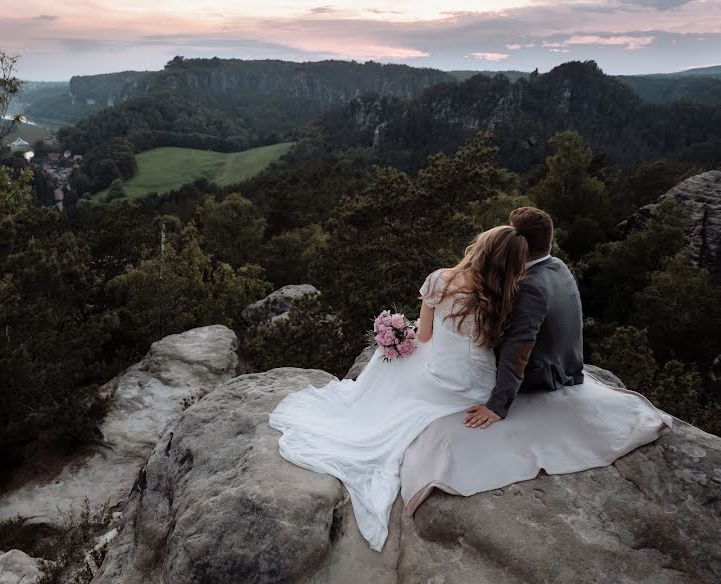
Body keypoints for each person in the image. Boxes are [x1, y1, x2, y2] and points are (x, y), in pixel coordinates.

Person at [269, 211, 670, 553]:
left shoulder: (455, 281)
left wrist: (495, 402)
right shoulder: (516, 287)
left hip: (488, 380)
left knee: (391, 363)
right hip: (482, 380)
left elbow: (465, 343)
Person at [269, 225, 529, 551]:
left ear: (480, 248)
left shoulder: (439, 280)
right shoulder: (507, 293)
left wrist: (399, 333)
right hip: (478, 388)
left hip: (445, 382)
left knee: (392, 362)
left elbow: (424, 337)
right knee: (407, 359)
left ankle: (370, 402)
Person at [463, 207, 584, 429]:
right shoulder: (558, 265)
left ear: (521, 244)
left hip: (542, 376)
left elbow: (519, 348)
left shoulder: (530, 287)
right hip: (568, 364)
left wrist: (497, 405)